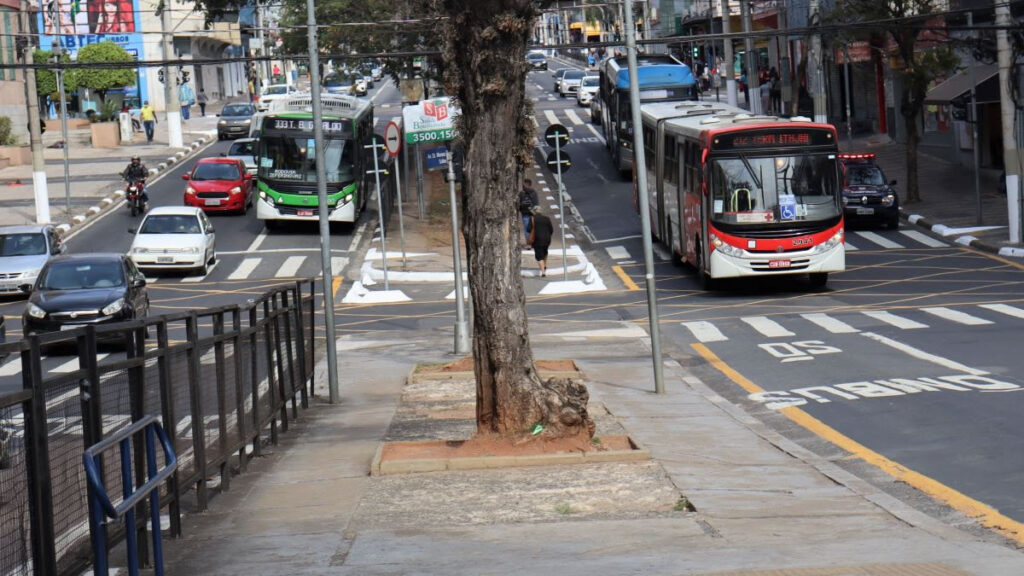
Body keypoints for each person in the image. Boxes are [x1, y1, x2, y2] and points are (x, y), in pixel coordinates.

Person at [528, 206, 554, 277]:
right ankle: (544, 266)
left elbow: (528, 229)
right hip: (547, 239)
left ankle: (543, 272)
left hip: (537, 240)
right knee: (545, 252)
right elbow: (551, 230)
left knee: (539, 256)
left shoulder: (532, 219)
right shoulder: (547, 219)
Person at [519, 178, 538, 243]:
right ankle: (531, 242)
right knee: (531, 228)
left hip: (526, 213)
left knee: (527, 228)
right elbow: (536, 203)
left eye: (524, 184)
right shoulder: (534, 192)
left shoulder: (522, 193)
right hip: (531, 213)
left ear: (527, 184)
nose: (523, 186)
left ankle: (529, 242)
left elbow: (519, 203)